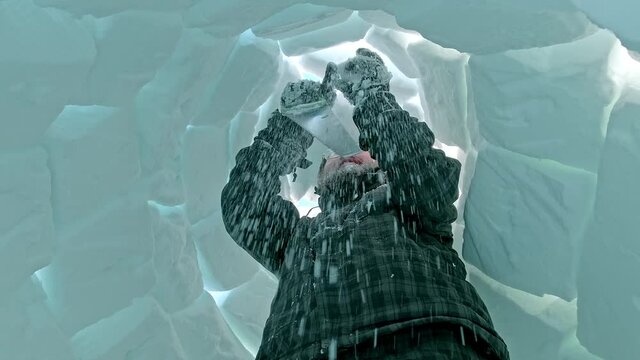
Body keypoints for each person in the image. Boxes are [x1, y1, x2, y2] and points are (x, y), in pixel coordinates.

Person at [221, 48, 509, 360]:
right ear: (319, 184)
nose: (344, 156)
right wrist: (289, 129)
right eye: (332, 159)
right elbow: (243, 204)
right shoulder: (296, 237)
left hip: (432, 340)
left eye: (364, 151)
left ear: (384, 164)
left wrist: (371, 95)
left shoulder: (411, 203)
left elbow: (420, 169)